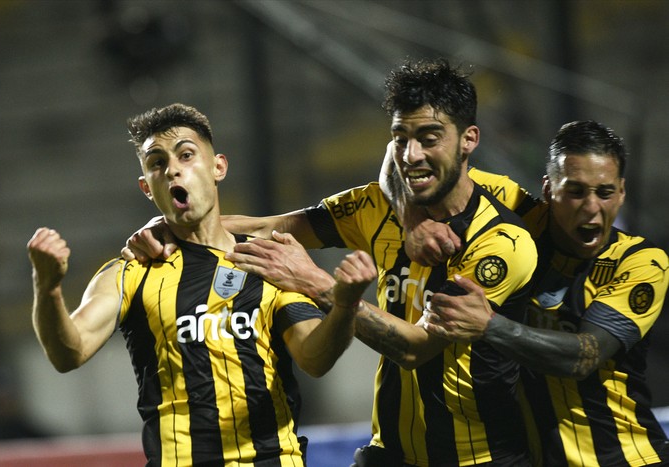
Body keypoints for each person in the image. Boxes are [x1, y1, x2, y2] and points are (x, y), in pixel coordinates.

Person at [124, 59, 539, 466]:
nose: (411, 155)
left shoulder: (499, 239)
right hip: (392, 454)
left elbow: (415, 349)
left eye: (430, 138)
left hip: (482, 458)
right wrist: (172, 226)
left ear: (469, 139)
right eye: (400, 138)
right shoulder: (376, 207)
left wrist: (316, 283)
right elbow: (271, 226)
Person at [27, 103, 377, 466]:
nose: (173, 169)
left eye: (186, 155)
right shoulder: (132, 270)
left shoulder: (270, 262)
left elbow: (314, 357)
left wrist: (344, 305)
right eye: (157, 162)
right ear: (148, 188)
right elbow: (69, 353)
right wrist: (48, 287)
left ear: (218, 167)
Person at [407, 120, 669, 466]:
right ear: (548, 189)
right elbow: (410, 165)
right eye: (575, 191)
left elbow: (584, 358)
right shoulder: (518, 219)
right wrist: (412, 219)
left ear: (621, 192)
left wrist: (489, 326)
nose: (591, 208)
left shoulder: (642, 263)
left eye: (604, 192)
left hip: (631, 460)